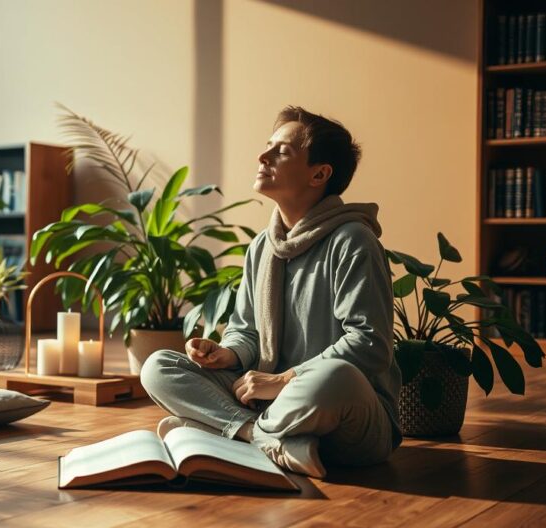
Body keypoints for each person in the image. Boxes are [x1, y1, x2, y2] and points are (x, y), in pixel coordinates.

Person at [140, 106, 401, 478]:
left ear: (319, 174)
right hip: (264, 406)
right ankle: (260, 438)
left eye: (282, 151)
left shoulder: (353, 241)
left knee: (335, 377)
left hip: (344, 418)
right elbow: (245, 331)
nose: (263, 157)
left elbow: (368, 344)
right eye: (268, 146)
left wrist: (282, 381)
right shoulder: (262, 247)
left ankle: (220, 432)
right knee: (157, 367)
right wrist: (226, 355)